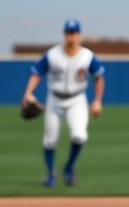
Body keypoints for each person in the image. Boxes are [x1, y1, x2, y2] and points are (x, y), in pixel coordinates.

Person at [21, 19, 105, 188]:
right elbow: (36, 73)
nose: (71, 36)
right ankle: (51, 173)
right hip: (55, 98)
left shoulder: (87, 56)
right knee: (50, 140)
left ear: (79, 35)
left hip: (77, 99)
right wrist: (28, 93)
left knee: (79, 135)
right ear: (64, 34)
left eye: (74, 33)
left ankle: (69, 168)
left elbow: (99, 77)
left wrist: (97, 101)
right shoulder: (52, 54)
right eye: (68, 32)